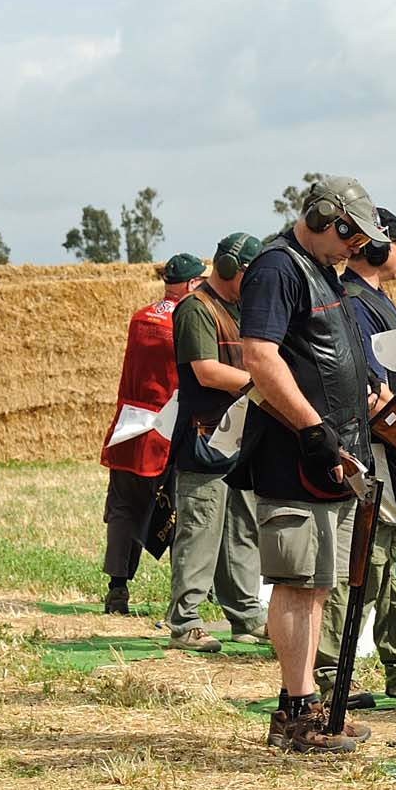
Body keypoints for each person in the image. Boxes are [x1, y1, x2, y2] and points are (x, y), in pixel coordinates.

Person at [233, 177, 390, 753]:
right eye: (350, 234)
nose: (357, 247)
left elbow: (326, 350)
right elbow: (261, 359)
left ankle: (306, 704)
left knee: (319, 581)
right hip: (299, 453)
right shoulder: (279, 268)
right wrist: (313, 428)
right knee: (300, 581)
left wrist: (364, 387)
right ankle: (297, 711)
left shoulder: (322, 269)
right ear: (327, 218)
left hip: (332, 451)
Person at [313, 208, 396, 699]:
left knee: (389, 556)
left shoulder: (377, 301)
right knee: (360, 560)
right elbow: (369, 390)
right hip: (378, 445)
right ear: (377, 247)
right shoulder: (353, 303)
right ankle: (325, 675)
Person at [164, 233, 268, 653]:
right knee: (200, 532)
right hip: (205, 438)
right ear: (229, 268)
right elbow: (207, 371)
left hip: (239, 439)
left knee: (242, 531)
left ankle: (245, 616)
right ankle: (184, 623)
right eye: (249, 272)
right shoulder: (196, 309)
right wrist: (265, 385)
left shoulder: (242, 309)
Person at [99, 253, 204, 614]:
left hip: (129, 425)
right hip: (166, 428)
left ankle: (117, 588)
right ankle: (183, 600)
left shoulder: (141, 316)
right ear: (191, 284)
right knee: (180, 512)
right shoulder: (187, 321)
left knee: (123, 509)